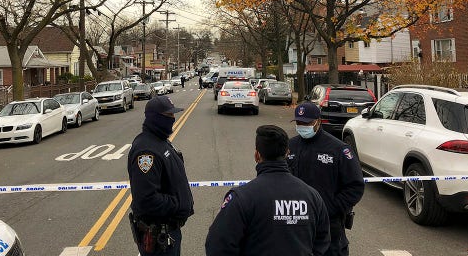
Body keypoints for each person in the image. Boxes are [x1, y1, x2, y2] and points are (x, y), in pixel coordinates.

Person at [206, 125, 331, 256]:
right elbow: (322, 241)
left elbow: (218, 245)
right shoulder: (312, 195)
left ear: (257, 155)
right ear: (287, 153)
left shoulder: (242, 197)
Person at [287, 103, 365, 256]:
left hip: (329, 225)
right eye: (299, 123)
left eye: (307, 123)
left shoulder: (338, 149)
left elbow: (355, 186)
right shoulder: (290, 146)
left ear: (318, 121)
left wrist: (330, 208)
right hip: (295, 223)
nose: (302, 126)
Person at [127, 96, 194, 256]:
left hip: (169, 233)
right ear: (156, 118)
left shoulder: (159, 141)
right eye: (169, 115)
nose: (173, 119)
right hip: (159, 239)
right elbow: (146, 199)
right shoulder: (146, 152)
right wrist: (177, 204)